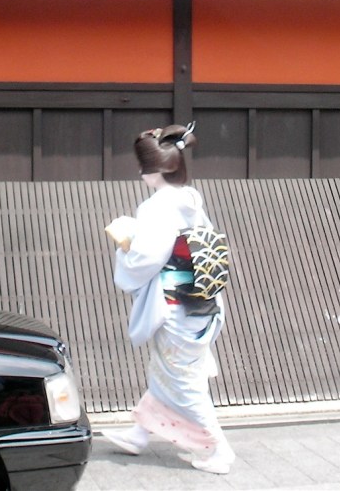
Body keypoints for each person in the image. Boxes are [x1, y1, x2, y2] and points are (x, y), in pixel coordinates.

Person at [102, 123, 235, 475]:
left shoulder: (157, 207)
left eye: (143, 166)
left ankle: (220, 451)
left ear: (156, 169)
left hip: (177, 308)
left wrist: (126, 247)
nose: (140, 172)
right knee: (167, 371)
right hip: (200, 303)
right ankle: (138, 434)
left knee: (182, 381)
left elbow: (147, 258)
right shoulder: (189, 200)